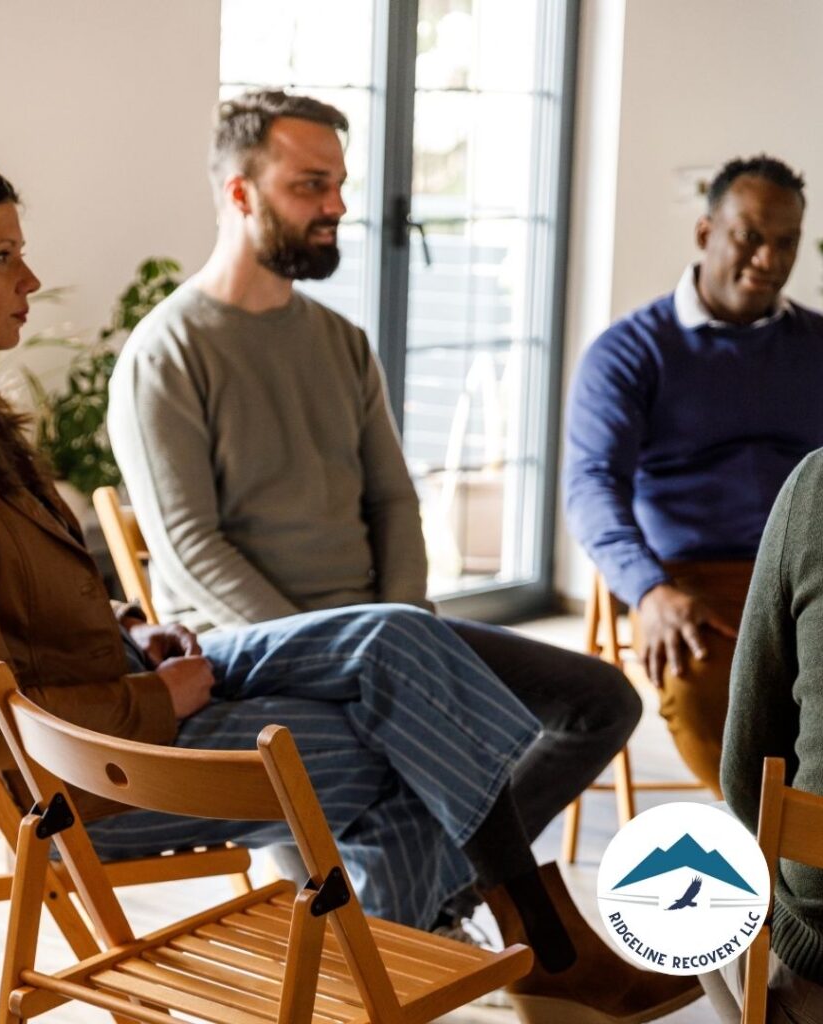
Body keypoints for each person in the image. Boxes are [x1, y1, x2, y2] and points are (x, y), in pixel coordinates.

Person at [0, 148, 696, 1024]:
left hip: (131, 683)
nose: (31, 277)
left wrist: (135, 630)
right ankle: (511, 950)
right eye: (3, 255)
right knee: (397, 752)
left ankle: (505, 952)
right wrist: (155, 698)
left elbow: (32, 601)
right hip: (89, 772)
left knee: (392, 633)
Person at [108, 92, 698, 1021]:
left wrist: (406, 617)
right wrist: (350, 644)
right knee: (409, 725)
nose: (336, 204)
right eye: (311, 184)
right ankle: (528, 937)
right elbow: (191, 549)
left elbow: (393, 498)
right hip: (259, 652)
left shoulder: (339, 342)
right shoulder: (167, 353)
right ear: (239, 192)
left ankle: (430, 906)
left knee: (602, 700)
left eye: (339, 183)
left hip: (388, 634)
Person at [563, 154, 823, 797]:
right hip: (695, 582)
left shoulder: (816, 344)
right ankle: (791, 870)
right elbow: (591, 486)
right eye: (751, 237)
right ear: (706, 233)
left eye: (786, 242)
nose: (768, 259)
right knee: (729, 722)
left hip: (811, 566)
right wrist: (648, 591)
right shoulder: (630, 352)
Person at [696, 449, 823, 1023]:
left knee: (686, 860)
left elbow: (745, 769)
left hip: (822, 941)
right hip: (687, 575)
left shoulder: (816, 484)